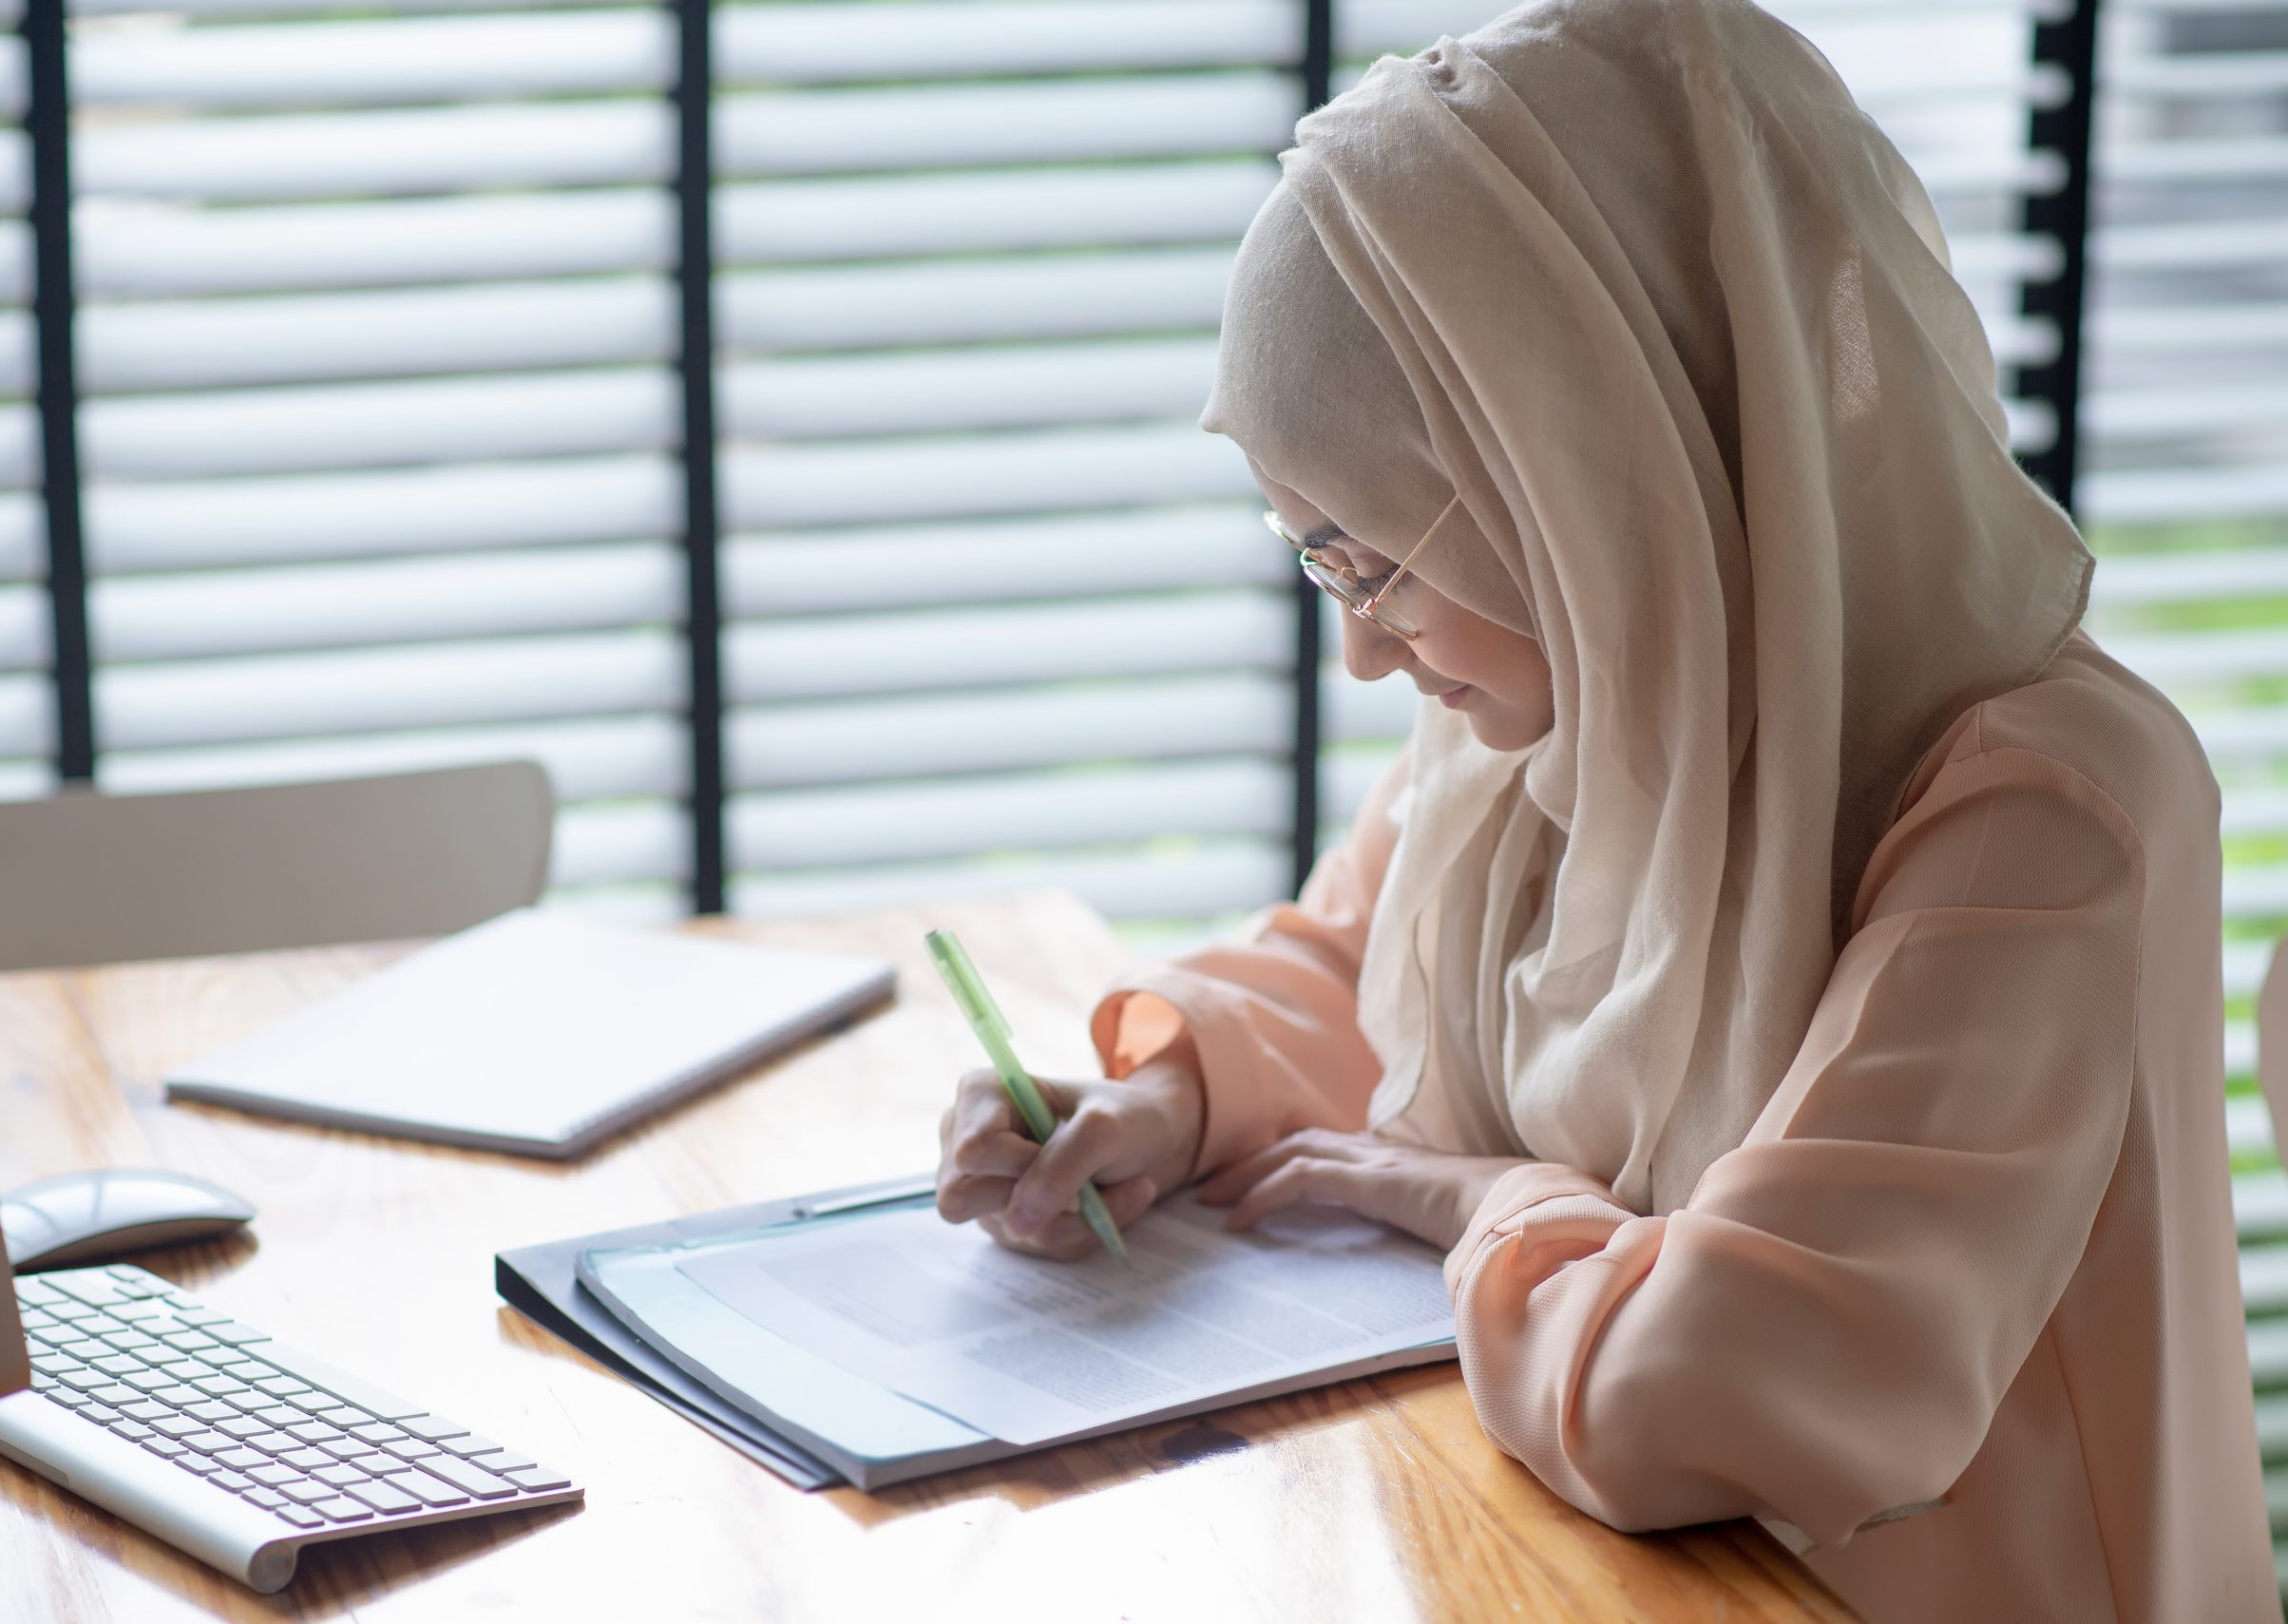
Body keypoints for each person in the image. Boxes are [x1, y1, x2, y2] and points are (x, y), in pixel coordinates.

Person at [929, 0, 2276, 1618]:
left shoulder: (2050, 817)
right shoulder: (1571, 703)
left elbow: (1718, 1388)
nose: (1359, 649)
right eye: (1314, 554)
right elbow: (1374, 980)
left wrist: (1486, 1203)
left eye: (1378, 560)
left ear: (1581, 479)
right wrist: (1167, 1099)